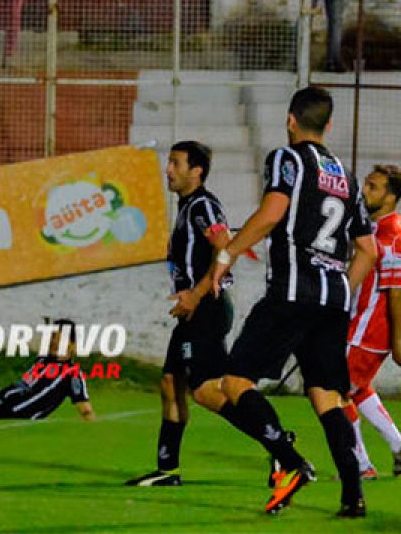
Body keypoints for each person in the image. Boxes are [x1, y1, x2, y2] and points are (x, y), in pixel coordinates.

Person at [212, 86, 377, 516]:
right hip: (333, 299)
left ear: (290, 120)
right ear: (329, 124)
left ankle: (289, 460)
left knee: (235, 382)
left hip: (291, 293)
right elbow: (369, 250)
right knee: (327, 395)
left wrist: (226, 254)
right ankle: (352, 495)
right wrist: (341, 288)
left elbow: (271, 214)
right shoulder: (347, 174)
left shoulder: (287, 158)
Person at [126, 141, 289, 487]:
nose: (168, 170)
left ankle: (277, 444)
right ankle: (167, 470)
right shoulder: (189, 207)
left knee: (205, 390)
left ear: (196, 171)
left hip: (206, 309)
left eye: (175, 163)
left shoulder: (202, 205)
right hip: (194, 311)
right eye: (168, 162)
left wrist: (196, 294)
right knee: (171, 383)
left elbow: (223, 245)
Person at [345, 164, 401, 479]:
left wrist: (397, 340)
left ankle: (360, 466)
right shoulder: (375, 229)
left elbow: (396, 292)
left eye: (373, 187)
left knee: (334, 391)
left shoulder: (393, 233)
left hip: (368, 332)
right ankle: (398, 447)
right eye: (366, 185)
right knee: (358, 389)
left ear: (391, 197)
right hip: (359, 326)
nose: (365, 192)